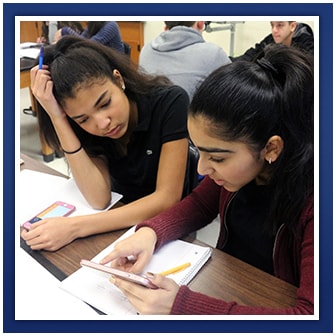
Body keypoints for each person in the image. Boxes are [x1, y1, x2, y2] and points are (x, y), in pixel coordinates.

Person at [100, 43, 314, 315]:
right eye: (198, 151)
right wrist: (149, 233)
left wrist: (184, 306)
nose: (202, 168)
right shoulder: (246, 168)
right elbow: (199, 205)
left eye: (218, 158)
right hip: (233, 284)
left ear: (272, 148)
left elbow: (311, 317)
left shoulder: (314, 204)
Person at [21, 36, 191, 251]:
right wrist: (58, 117)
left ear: (118, 79)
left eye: (105, 103)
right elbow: (98, 198)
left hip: (168, 230)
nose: (102, 124)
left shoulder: (169, 102)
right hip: (118, 220)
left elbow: (166, 199)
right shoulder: (83, 127)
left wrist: (74, 227)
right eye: (83, 119)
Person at [139, 21, 231, 101]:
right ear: (201, 23)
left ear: (166, 27)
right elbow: (236, 94)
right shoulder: (214, 54)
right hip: (188, 120)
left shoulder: (146, 49)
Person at [231, 21, 314, 62]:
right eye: (272, 25)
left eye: (280, 25)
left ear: (292, 26)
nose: (274, 30)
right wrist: (229, 63)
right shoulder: (272, 38)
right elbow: (253, 53)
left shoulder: (307, 46)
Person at [54, 21, 125, 54]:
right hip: (101, 61)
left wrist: (65, 30)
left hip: (115, 65)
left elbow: (89, 44)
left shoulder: (111, 25)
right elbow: (80, 39)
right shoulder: (93, 24)